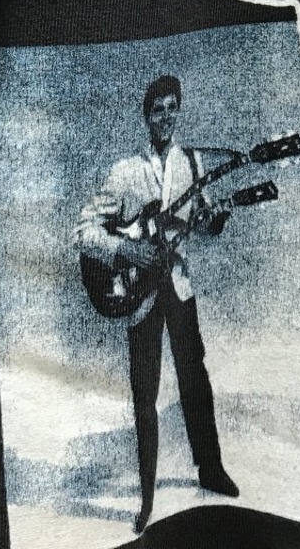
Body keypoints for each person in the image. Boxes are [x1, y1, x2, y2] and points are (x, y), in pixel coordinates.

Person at [75, 74, 240, 534]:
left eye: (171, 107)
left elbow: (204, 223)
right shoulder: (125, 172)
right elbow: (84, 231)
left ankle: (210, 470)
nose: (165, 116)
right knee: (144, 391)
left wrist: (215, 220)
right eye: (157, 109)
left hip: (179, 286)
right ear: (146, 116)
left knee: (195, 377)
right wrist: (125, 250)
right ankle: (147, 499)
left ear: (178, 110)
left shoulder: (193, 163)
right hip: (139, 293)